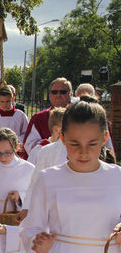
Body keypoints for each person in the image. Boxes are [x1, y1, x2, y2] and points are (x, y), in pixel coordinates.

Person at [21, 101, 121, 252]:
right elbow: (31, 228)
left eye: (92, 144)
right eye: (75, 144)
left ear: (104, 138)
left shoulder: (117, 177)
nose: (83, 152)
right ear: (62, 137)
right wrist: (37, 242)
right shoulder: (48, 179)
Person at [23, 77, 72, 155]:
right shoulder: (39, 118)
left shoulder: (77, 116)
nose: (58, 95)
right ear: (49, 95)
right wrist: (51, 143)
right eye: (54, 92)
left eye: (63, 92)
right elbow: (29, 145)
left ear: (70, 94)